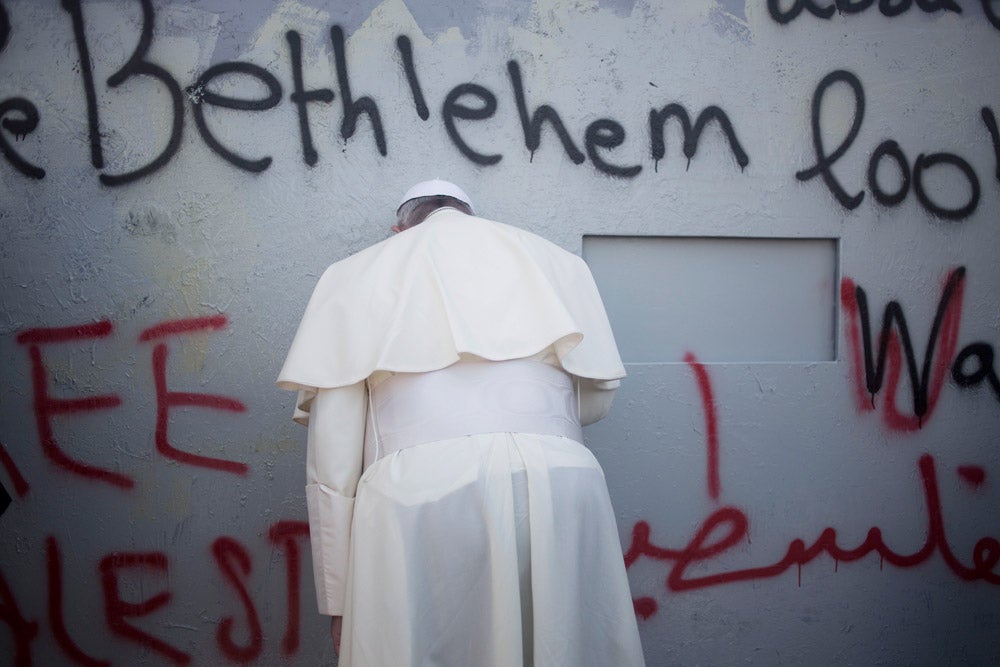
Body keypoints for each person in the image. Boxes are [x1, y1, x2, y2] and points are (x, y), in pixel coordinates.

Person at [277, 180, 644, 666]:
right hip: (564, 478)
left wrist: (339, 600)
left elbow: (333, 455)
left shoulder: (355, 273)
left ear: (399, 229)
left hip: (422, 490)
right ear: (471, 215)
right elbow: (595, 401)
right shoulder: (555, 262)